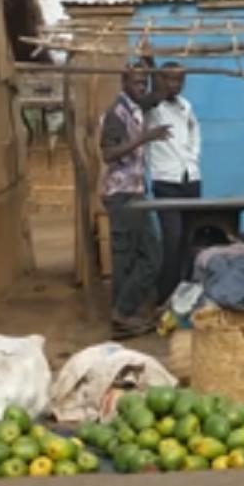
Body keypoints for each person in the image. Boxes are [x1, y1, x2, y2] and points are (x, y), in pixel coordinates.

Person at [101, 65, 168, 337]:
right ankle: (122, 314)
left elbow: (160, 92)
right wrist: (143, 138)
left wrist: (149, 60)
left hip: (135, 193)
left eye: (144, 83)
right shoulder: (116, 114)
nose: (142, 87)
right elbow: (108, 154)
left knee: (142, 255)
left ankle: (124, 314)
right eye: (137, 83)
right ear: (123, 81)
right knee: (138, 257)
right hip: (121, 194)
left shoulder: (137, 105)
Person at [147, 63, 202, 301]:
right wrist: (150, 61)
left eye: (180, 80)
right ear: (160, 80)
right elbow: (151, 87)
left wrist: (192, 157)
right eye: (170, 80)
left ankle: (187, 294)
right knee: (172, 239)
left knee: (190, 239)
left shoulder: (186, 106)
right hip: (166, 180)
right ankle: (165, 296)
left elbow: (194, 134)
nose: (175, 85)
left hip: (190, 179)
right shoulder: (152, 107)